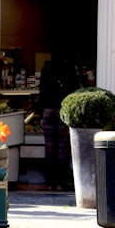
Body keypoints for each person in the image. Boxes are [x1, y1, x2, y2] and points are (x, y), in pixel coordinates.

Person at [38, 54, 81, 191]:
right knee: (62, 148)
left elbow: (42, 92)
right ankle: (61, 182)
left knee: (50, 148)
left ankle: (50, 181)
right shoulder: (70, 69)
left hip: (47, 111)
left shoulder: (47, 68)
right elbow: (75, 91)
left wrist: (40, 114)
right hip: (62, 110)